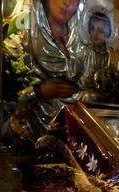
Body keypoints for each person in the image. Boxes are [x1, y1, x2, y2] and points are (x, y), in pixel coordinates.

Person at [14, 0, 82, 143]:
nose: (67, 3)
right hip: (29, 143)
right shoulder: (21, 39)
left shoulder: (82, 42)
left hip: (75, 142)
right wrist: (38, 92)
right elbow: (4, 100)